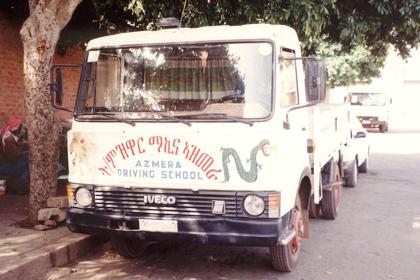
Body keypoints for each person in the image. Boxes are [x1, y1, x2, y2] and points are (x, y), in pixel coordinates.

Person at [0, 116, 29, 194]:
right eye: (21, 127)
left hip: (6, 165)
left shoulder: (9, 136)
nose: (23, 130)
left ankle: (21, 188)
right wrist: (23, 151)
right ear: (16, 128)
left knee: (27, 165)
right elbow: (14, 157)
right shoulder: (8, 139)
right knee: (28, 158)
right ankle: (20, 187)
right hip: (4, 167)